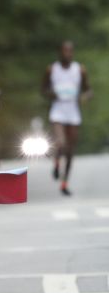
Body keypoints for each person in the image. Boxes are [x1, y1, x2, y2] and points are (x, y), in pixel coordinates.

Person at [42, 41, 91, 196]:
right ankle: (56, 163)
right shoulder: (52, 69)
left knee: (70, 151)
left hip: (73, 112)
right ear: (59, 52)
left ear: (73, 53)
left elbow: (88, 89)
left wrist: (84, 97)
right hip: (58, 111)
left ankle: (64, 183)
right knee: (60, 143)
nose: (67, 54)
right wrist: (52, 94)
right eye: (64, 51)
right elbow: (43, 89)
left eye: (70, 51)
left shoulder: (80, 70)